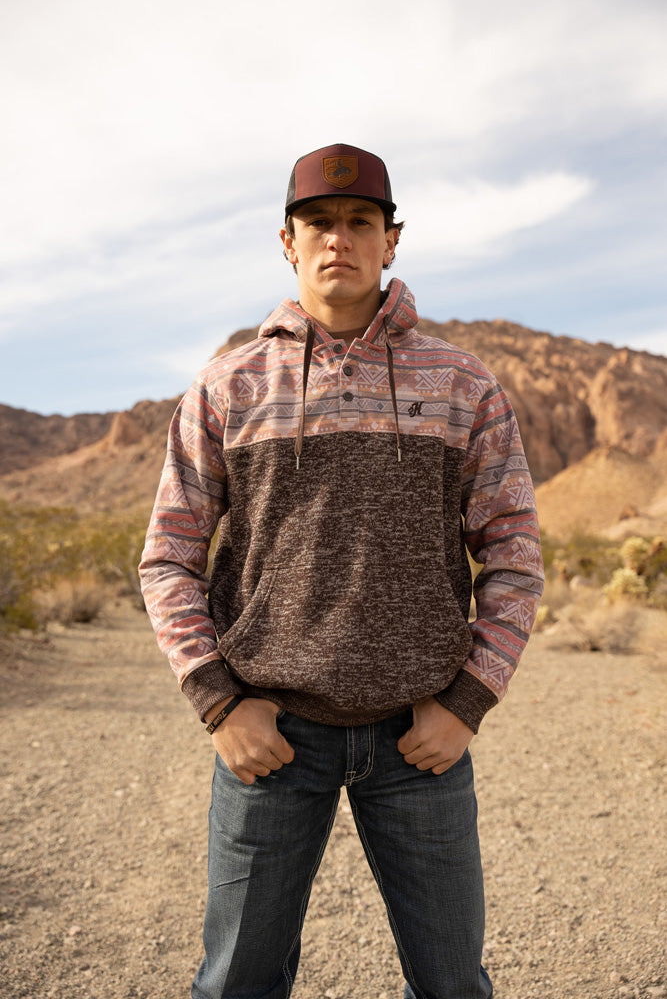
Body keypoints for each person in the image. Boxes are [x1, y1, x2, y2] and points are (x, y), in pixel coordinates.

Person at [139, 142, 544, 999]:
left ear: (390, 241)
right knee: (236, 982)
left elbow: (513, 553)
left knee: (450, 984)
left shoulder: (461, 383)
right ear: (286, 242)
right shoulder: (227, 387)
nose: (338, 239)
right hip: (271, 738)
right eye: (316, 222)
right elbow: (169, 557)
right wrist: (219, 702)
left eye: (360, 222)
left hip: (420, 740)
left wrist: (467, 701)